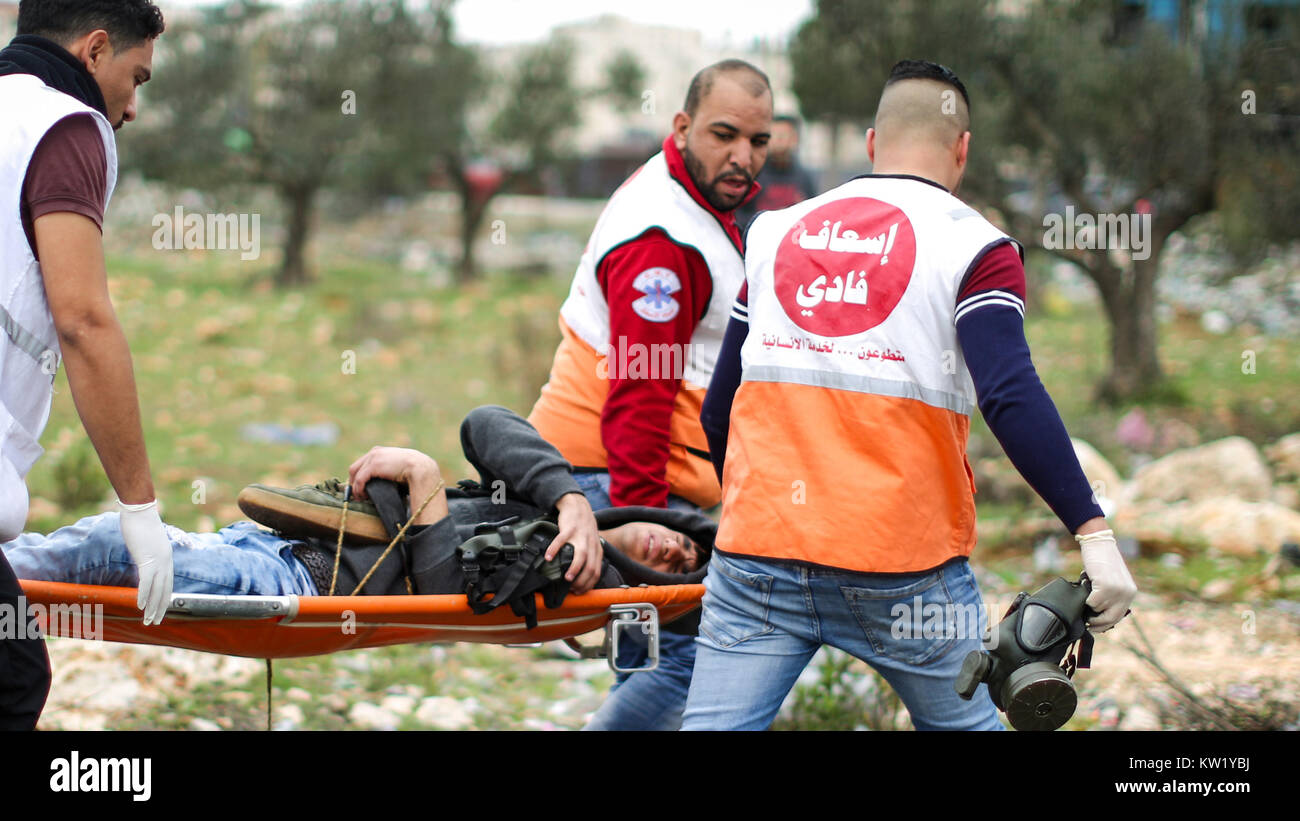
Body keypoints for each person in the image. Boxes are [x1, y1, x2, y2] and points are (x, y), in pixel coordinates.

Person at [686, 60, 1138, 731]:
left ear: (872, 144)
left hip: (759, 558)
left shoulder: (774, 233)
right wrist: (1092, 532)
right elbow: (1009, 395)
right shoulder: (973, 247)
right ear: (963, 149)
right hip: (904, 573)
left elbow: (719, 408)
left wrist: (751, 512)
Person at [526, 59, 772, 730]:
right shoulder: (664, 243)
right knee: (686, 661)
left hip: (619, 476)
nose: (742, 157)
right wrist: (646, 518)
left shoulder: (692, 200)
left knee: (658, 659)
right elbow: (640, 390)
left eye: (759, 141)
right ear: (683, 126)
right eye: (725, 135)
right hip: (615, 476)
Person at [6, 406, 706, 597]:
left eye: (680, 566)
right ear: (660, 512)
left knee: (108, 547)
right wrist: (570, 499)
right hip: (278, 546)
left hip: (300, 581)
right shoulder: (561, 514)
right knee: (98, 549)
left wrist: (425, 480)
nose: (675, 550)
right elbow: (486, 423)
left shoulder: (576, 573)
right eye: (685, 540)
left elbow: (440, 594)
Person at [0, 0, 174, 731]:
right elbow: (83, 318)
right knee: (11, 680)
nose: (131, 108)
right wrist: (140, 509)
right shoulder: (63, 125)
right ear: (95, 51)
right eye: (136, 79)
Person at [735, 115, 819, 231]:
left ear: (794, 139)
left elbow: (814, 216)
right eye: (773, 136)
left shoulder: (804, 178)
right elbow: (738, 217)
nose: (778, 141)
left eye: (783, 135)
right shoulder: (753, 173)